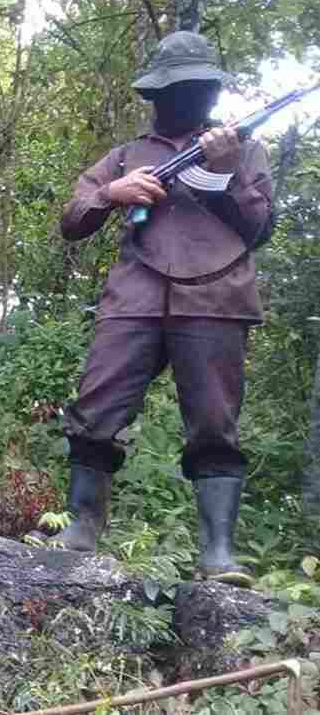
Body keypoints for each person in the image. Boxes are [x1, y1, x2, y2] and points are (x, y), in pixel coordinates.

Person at [50, 31, 272, 588]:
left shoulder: (243, 149)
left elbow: (260, 226)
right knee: (97, 406)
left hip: (217, 298)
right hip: (135, 296)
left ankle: (218, 553)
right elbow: (73, 218)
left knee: (215, 424)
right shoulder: (126, 155)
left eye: (198, 88)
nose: (187, 99)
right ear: (155, 95)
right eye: (175, 89)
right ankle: (81, 526)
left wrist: (225, 177)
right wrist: (113, 193)